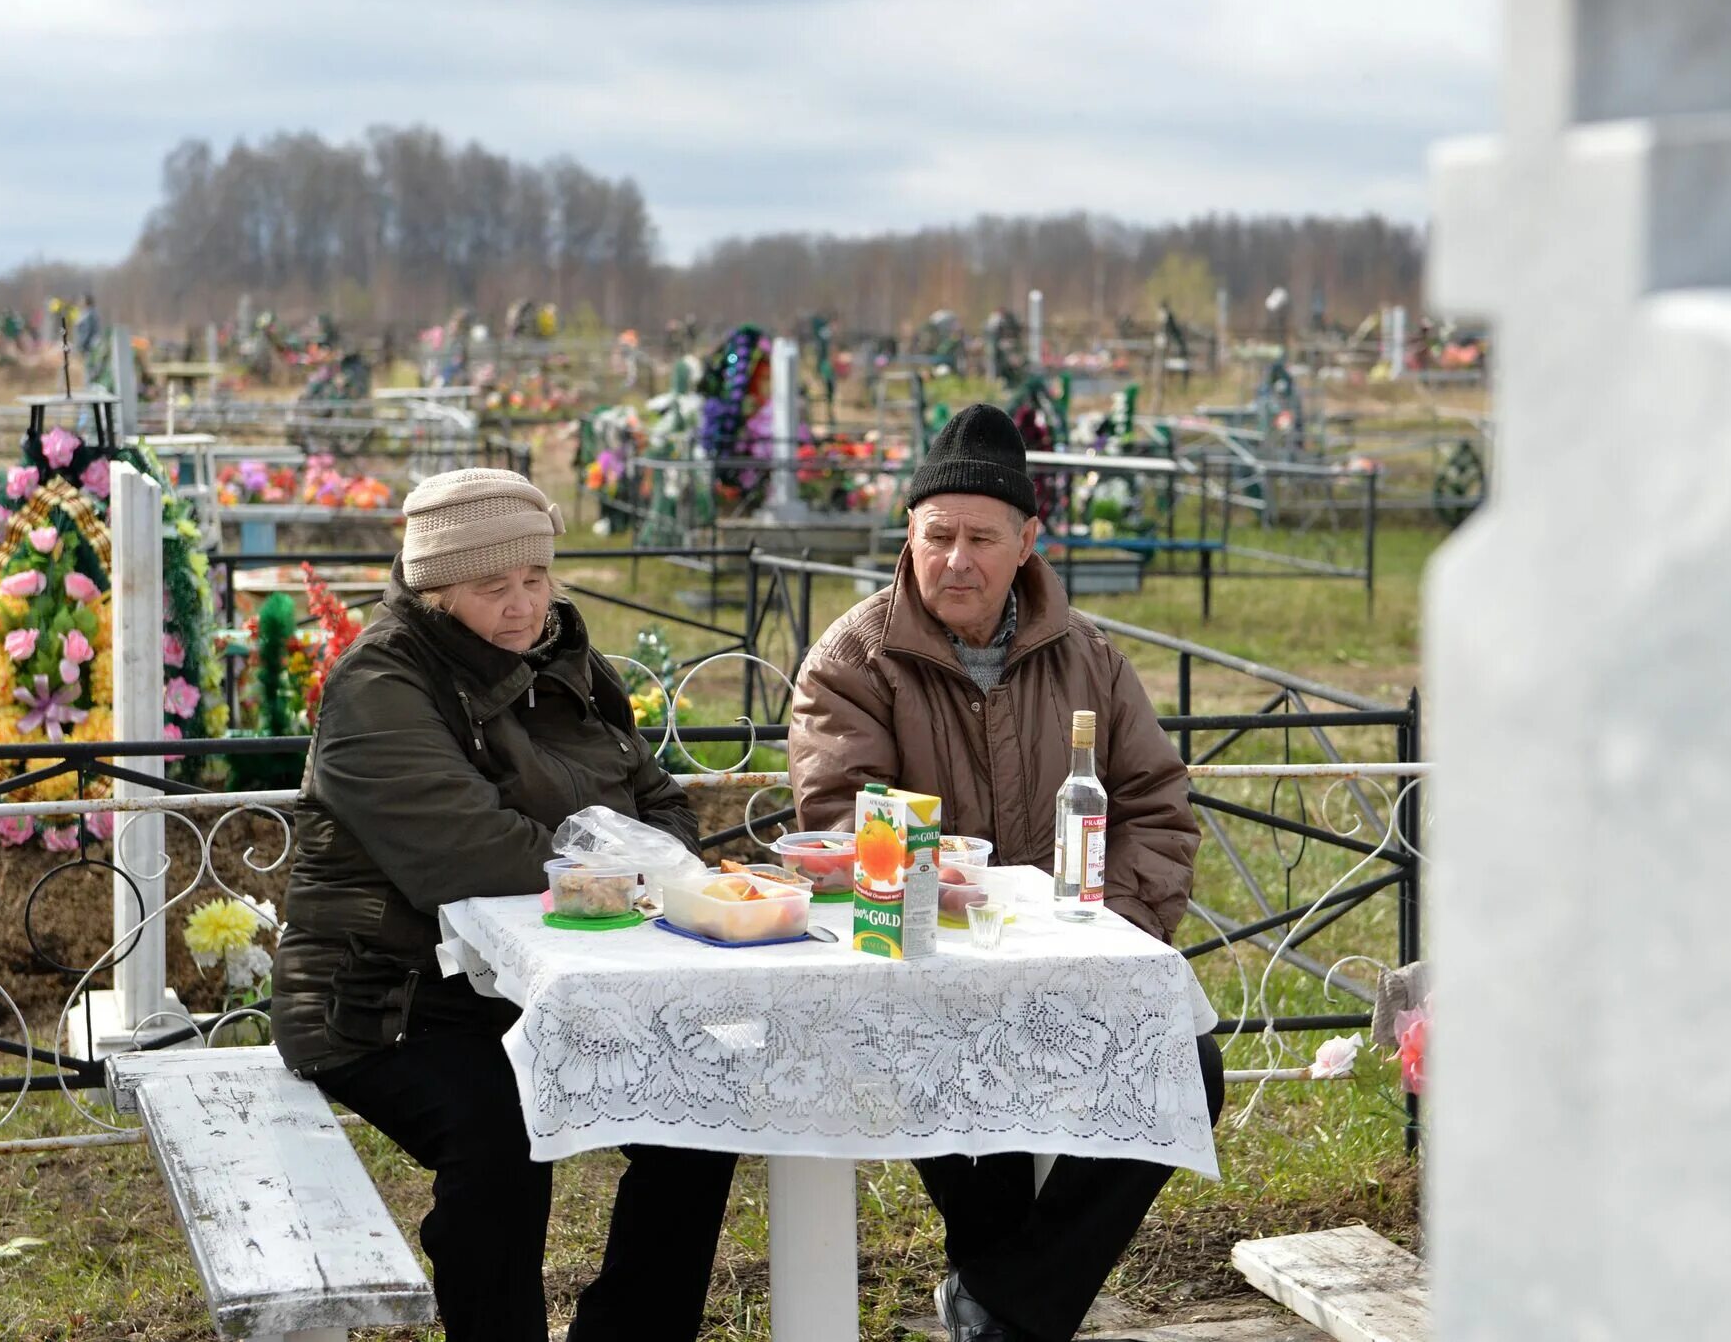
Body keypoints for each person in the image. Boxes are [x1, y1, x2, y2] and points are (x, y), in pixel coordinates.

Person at [788, 404, 1225, 1342]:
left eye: (981, 537)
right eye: (936, 534)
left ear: (1028, 539)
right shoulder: (854, 659)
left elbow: (1155, 807)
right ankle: (1009, 1305)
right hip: (913, 976)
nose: (955, 559)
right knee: (949, 1090)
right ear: (908, 532)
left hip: (1066, 968)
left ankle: (999, 1304)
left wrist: (1118, 933)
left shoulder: (1090, 658)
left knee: (1190, 1064)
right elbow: (840, 822)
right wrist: (932, 896)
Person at [271, 468, 737, 1342]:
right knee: (499, 1129)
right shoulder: (379, 683)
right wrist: (632, 865)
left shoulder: (562, 661)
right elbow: (475, 850)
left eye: (536, 579)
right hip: (384, 998)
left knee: (699, 1105)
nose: (523, 606)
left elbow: (665, 803)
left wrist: (634, 857)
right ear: (436, 589)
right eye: (495, 588)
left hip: (547, 981)